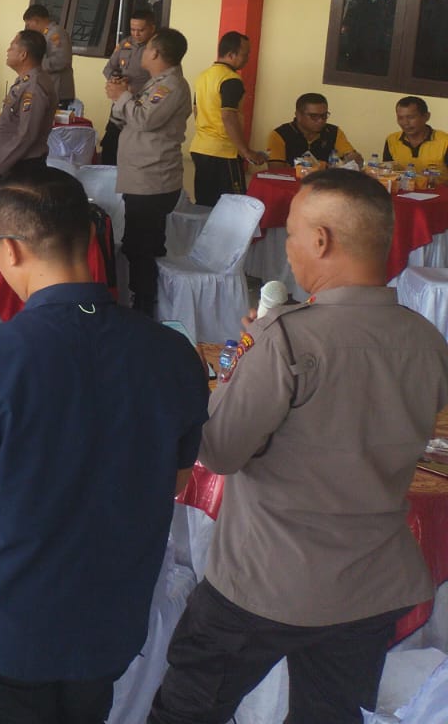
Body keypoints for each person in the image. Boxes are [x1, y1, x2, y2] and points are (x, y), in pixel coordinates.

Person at [149, 169, 448, 724]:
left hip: (265, 579)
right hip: (371, 584)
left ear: (321, 240)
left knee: (189, 709)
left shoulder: (287, 338)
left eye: (290, 234)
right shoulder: (426, 339)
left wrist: (246, 361)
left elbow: (220, 451)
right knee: (329, 714)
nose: (287, 248)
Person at [0, 168, 208, 724]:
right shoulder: (172, 352)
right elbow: (174, 482)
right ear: (87, 238)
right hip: (109, 620)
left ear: (8, 249)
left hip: (10, 621)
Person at [106, 27, 192, 319]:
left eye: (147, 47)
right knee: (140, 245)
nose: (141, 50)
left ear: (155, 53)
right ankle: (145, 303)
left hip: (153, 180)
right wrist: (122, 96)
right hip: (141, 177)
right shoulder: (154, 83)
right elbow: (127, 117)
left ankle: (143, 310)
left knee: (141, 248)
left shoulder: (171, 86)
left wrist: (123, 98)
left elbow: (144, 119)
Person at [189, 31, 265, 207]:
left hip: (200, 148)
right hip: (223, 153)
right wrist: (246, 152)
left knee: (205, 204)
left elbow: (196, 110)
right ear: (231, 55)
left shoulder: (203, 76)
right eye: (245, 54)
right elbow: (228, 116)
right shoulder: (231, 79)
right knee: (233, 206)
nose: (248, 59)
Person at [0, 30, 54, 185]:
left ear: (23, 55)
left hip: (22, 167)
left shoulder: (34, 87)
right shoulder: (24, 81)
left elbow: (26, 134)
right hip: (12, 161)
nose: (8, 50)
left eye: (12, 46)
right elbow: (12, 124)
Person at [99, 8, 155, 164]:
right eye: (132, 29)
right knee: (110, 145)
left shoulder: (156, 49)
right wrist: (115, 79)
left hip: (140, 105)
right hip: (119, 103)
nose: (136, 34)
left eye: (141, 30)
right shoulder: (125, 44)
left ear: (152, 28)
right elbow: (109, 68)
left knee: (133, 149)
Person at [265, 92, 360, 169]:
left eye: (324, 115)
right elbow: (275, 169)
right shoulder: (281, 134)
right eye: (314, 116)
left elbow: (353, 158)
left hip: (325, 184)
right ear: (298, 115)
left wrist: (352, 159)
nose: (320, 120)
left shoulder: (334, 132)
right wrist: (320, 166)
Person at [23, 4, 75, 109]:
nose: (28, 28)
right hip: (50, 89)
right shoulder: (46, 34)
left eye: (28, 24)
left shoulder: (56, 33)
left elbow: (61, 60)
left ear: (35, 20)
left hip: (58, 91)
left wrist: (35, 65)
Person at [383, 96, 448, 173]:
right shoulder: (392, 140)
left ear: (426, 117)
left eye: (411, 117)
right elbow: (386, 174)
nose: (405, 123)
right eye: (400, 118)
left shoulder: (444, 141)